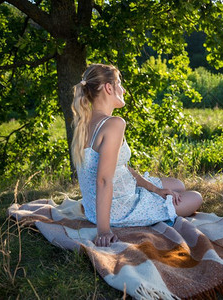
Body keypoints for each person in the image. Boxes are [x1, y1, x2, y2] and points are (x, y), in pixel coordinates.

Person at [71, 63, 203, 247]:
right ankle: (149, 205)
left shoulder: (83, 124)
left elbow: (118, 167)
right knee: (196, 197)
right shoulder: (114, 124)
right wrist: (103, 230)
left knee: (177, 185)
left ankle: (156, 193)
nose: (123, 90)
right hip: (119, 209)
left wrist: (155, 190)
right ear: (109, 88)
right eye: (119, 83)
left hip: (95, 208)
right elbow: (103, 180)